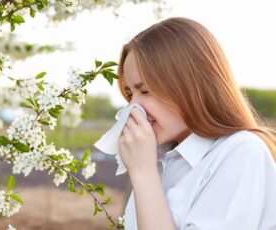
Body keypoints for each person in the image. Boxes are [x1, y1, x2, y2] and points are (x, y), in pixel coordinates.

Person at [117, 17, 276, 230]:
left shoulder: (241, 152)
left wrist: (143, 172)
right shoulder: (160, 158)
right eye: (129, 93)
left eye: (145, 90)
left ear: (190, 84)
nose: (133, 106)